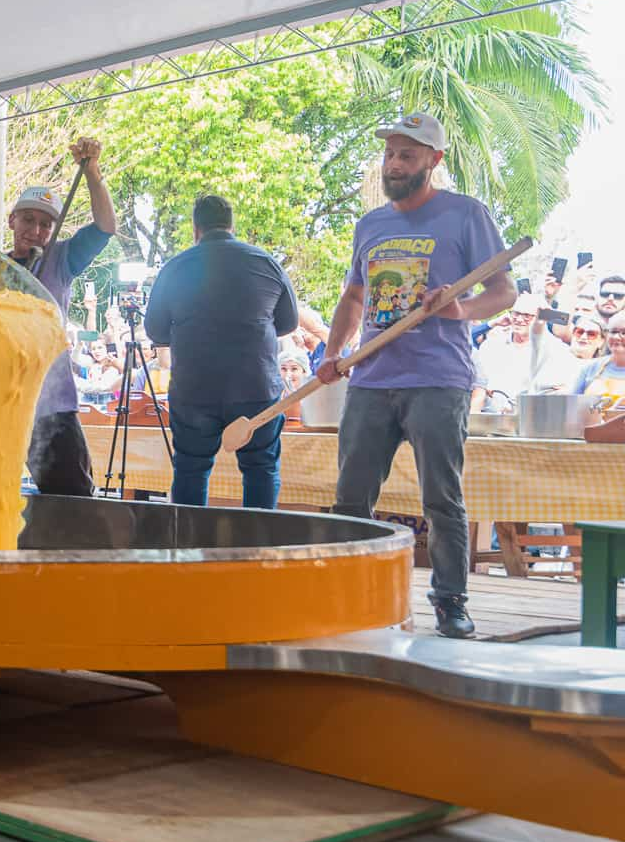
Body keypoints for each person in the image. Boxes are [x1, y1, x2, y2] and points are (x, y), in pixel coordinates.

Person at [319, 113, 513, 639]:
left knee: (441, 498)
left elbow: (503, 292)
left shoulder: (465, 215)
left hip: (437, 378)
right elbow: (354, 296)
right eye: (390, 154)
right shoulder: (371, 225)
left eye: (407, 154)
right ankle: (345, 594)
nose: (395, 163)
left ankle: (450, 601)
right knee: (350, 499)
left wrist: (457, 311)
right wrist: (333, 351)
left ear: (434, 160)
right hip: (371, 379)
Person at [144, 195, 299, 508]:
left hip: (194, 389)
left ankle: (187, 547)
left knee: (191, 468)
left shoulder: (175, 268)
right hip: (254, 386)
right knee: (260, 467)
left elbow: (155, 331)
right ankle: (258, 548)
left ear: (195, 228)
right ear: (232, 225)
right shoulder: (265, 262)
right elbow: (288, 323)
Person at [5, 137, 117, 496]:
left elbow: (104, 228)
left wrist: (93, 173)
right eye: (28, 220)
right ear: (12, 220)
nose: (35, 231)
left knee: (71, 496)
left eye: (44, 225)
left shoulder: (62, 259)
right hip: (1, 399)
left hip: (51, 404)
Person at [470, 294, 577, 410]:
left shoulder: (556, 349)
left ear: (540, 318)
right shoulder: (491, 345)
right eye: (516, 314)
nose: (520, 320)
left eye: (527, 316)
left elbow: (566, 387)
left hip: (533, 415)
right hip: (491, 414)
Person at [574, 314, 625, 414]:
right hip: (591, 428)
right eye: (613, 332)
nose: (616, 337)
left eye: (624, 333)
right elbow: (572, 408)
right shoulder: (591, 367)